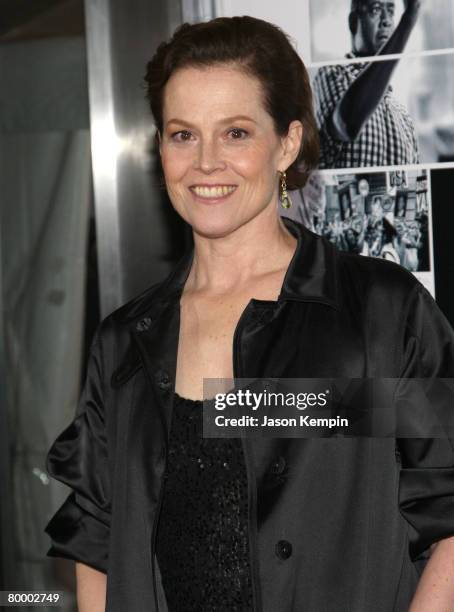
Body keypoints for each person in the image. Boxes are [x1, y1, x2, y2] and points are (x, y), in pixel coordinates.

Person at [44, 16, 454, 612]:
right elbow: (96, 540)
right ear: (160, 147)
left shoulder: (378, 316)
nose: (206, 162)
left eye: (235, 133)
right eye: (182, 134)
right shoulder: (125, 343)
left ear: (287, 143)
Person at [313, 0, 421, 169]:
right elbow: (347, 125)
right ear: (353, 22)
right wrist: (407, 21)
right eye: (376, 9)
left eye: (391, 12)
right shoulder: (331, 75)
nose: (387, 20)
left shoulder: (404, 117)